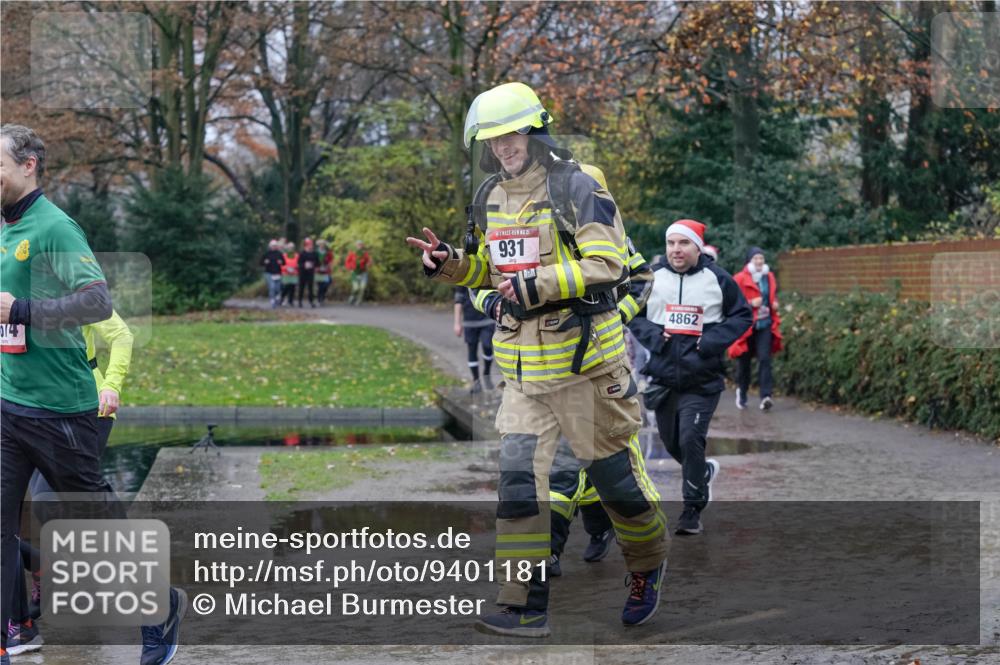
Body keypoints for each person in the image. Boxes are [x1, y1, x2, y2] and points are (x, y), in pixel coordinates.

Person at [407, 82, 667, 637]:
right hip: (523, 374)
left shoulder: (577, 184)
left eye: (513, 134)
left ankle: (647, 565)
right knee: (519, 488)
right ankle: (522, 604)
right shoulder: (487, 197)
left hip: (587, 370)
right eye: (493, 139)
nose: (504, 147)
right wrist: (450, 264)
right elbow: (491, 275)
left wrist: (539, 284)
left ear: (535, 130)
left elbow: (610, 264)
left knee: (617, 489)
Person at [0, 124, 185, 665]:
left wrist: (24, 313)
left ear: (29, 164)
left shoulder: (55, 228)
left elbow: (98, 304)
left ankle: (160, 610)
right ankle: (12, 635)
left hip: (63, 411)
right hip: (10, 404)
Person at [7, 309, 133, 655]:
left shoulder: (73, 285)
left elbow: (121, 336)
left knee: (51, 506)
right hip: (23, 412)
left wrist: (111, 385)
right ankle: (25, 616)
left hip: (83, 409)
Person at [628, 219, 752, 536]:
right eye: (671, 244)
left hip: (702, 379)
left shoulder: (718, 279)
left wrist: (709, 342)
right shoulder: (653, 279)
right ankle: (703, 471)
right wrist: (656, 337)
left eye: (683, 244)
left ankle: (691, 510)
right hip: (665, 378)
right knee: (672, 442)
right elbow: (632, 315)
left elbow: (742, 315)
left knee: (689, 439)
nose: (676, 250)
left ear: (697, 247)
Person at [730, 246, 783, 411]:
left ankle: (766, 396)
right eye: (756, 259)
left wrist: (774, 303)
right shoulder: (739, 278)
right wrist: (750, 304)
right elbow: (731, 302)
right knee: (744, 362)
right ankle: (742, 392)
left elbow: (771, 296)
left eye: (761, 258)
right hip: (746, 326)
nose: (759, 262)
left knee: (765, 359)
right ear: (749, 261)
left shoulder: (769, 277)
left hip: (765, 324)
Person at [454, 287, 495, 393]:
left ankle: (486, 373)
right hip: (469, 321)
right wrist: (457, 323)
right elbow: (458, 301)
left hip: (487, 319)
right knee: (472, 350)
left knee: (487, 346)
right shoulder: (461, 278)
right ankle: (476, 381)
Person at [345, 241, 371, 305]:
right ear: (356, 245)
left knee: (362, 287)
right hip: (354, 272)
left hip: (363, 272)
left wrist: (368, 264)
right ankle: (352, 297)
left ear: (363, 246)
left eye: (361, 245)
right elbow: (347, 261)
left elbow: (369, 261)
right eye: (358, 245)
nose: (360, 246)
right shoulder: (352, 253)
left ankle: (359, 301)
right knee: (356, 288)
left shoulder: (365, 253)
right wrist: (350, 269)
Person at [261, 239, 285, 308]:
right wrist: (265, 262)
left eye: (275, 246)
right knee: (272, 287)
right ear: (270, 246)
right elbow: (261, 262)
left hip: (277, 273)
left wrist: (281, 262)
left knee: (278, 288)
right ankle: (272, 300)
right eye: (273, 246)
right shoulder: (266, 254)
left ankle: (277, 297)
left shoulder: (279, 253)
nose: (274, 247)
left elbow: (284, 262)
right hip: (269, 273)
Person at [297, 237, 318, 308]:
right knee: (301, 287)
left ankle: (311, 301)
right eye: (309, 245)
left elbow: (317, 263)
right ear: (306, 245)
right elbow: (299, 263)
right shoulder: (302, 253)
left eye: (311, 245)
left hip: (310, 272)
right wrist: (304, 265)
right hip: (303, 272)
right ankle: (300, 301)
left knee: (310, 288)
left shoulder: (314, 253)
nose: (310, 246)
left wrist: (313, 264)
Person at [280, 241, 298, 306]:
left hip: (294, 273)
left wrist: (295, 268)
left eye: (292, 247)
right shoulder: (284, 255)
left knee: (292, 287)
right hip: (286, 273)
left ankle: (291, 301)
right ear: (287, 248)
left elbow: (298, 264)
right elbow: (281, 265)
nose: (291, 248)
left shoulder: (296, 255)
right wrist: (286, 268)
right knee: (286, 287)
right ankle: (282, 298)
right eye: (290, 247)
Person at [316, 238, 334, 305]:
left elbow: (331, 260)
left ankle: (322, 296)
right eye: (321, 244)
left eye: (323, 244)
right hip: (318, 271)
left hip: (326, 270)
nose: (322, 245)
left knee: (326, 284)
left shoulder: (327, 252)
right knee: (320, 285)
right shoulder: (316, 252)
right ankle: (319, 299)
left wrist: (330, 265)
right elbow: (313, 260)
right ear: (319, 245)